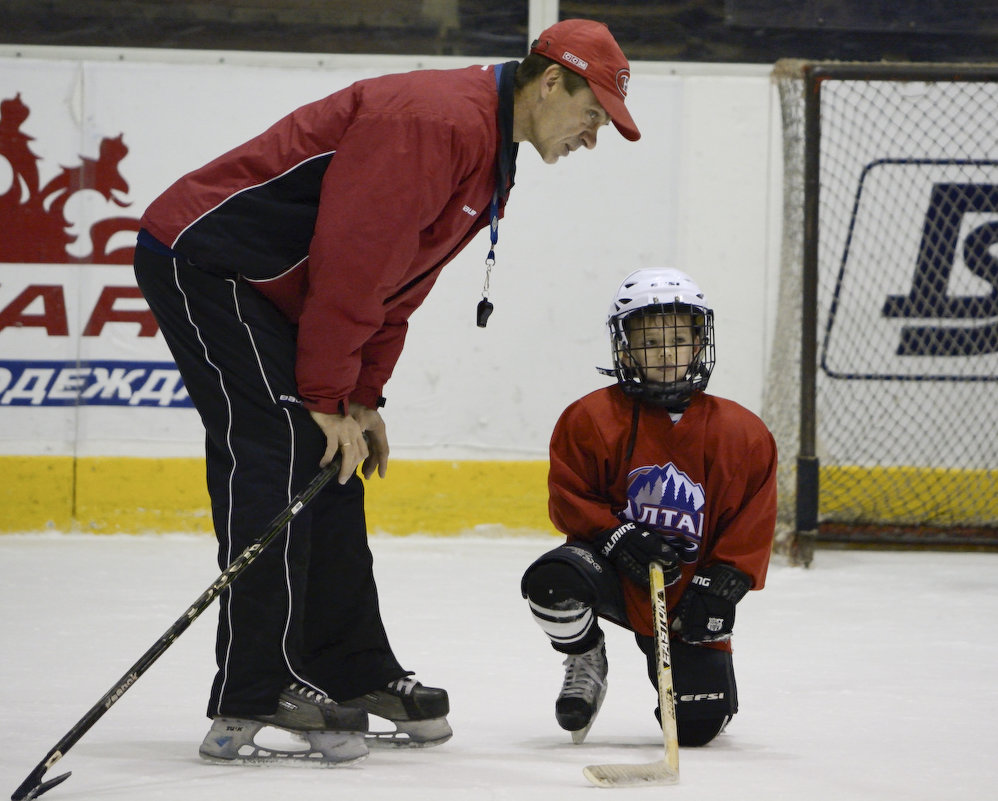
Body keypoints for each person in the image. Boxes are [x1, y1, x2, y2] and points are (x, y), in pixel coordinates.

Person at [132, 19, 641, 766]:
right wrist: (324, 390)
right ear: (553, 81)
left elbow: (401, 282)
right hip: (208, 263)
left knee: (334, 458)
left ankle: (353, 668)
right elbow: (352, 263)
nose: (592, 136)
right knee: (277, 448)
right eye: (593, 114)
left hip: (272, 292)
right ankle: (256, 685)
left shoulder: (491, 153)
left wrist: (361, 397)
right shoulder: (435, 123)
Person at [521, 268, 777, 747]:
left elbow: (753, 521)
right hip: (617, 572)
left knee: (697, 729)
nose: (664, 353)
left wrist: (724, 582)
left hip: (687, 589)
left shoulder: (743, 432)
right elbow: (570, 498)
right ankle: (584, 655)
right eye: (649, 340)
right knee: (552, 581)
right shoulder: (590, 418)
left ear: (699, 344)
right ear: (625, 348)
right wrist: (616, 537)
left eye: (677, 339)